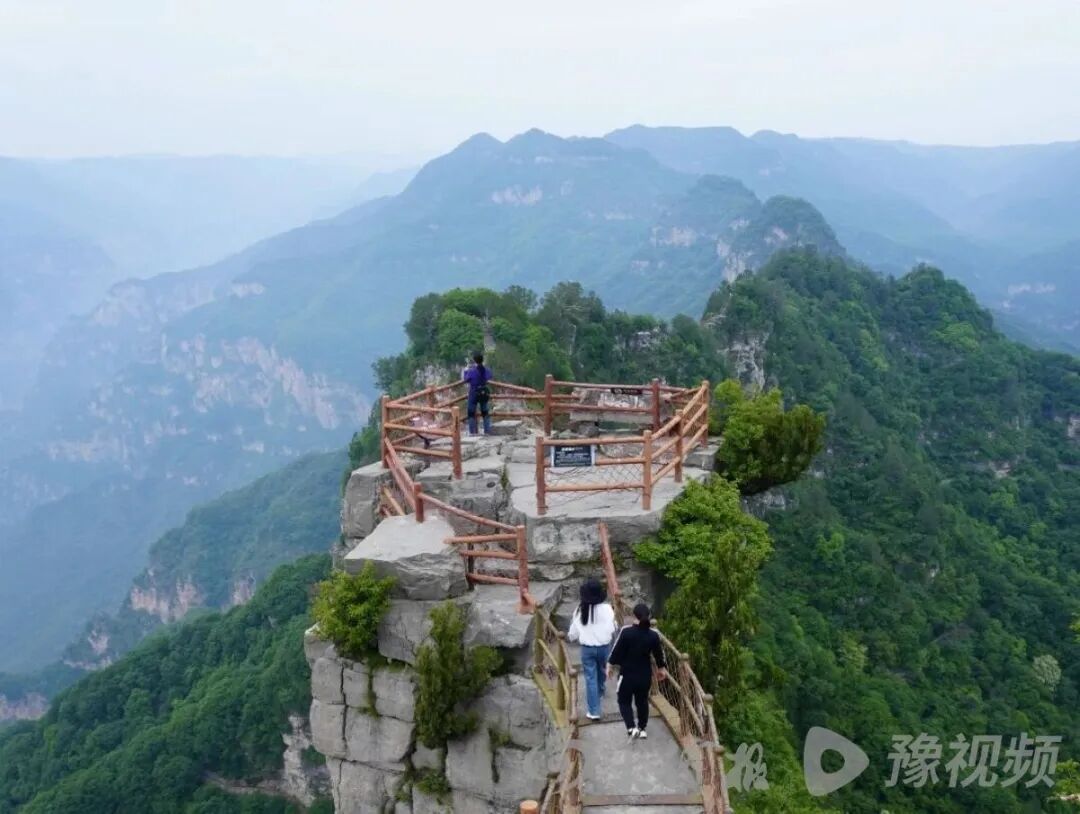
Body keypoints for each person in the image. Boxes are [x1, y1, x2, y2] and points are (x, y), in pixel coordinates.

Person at [607, 602, 667, 740]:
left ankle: (631, 727)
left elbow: (617, 650)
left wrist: (610, 665)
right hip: (644, 675)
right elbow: (659, 654)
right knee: (642, 702)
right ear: (649, 617)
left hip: (627, 674)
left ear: (634, 616)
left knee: (623, 701)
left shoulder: (626, 632)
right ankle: (642, 728)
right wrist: (661, 669)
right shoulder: (653, 635)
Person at [566, 578, 617, 721]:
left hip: (587, 649)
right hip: (604, 647)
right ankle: (600, 690)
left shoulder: (579, 610)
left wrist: (571, 637)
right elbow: (613, 627)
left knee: (590, 678)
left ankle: (594, 711)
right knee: (602, 669)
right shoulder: (607, 608)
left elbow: (573, 634)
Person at [462, 352, 492, 435]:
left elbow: (466, 379)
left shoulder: (472, 371)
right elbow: (489, 376)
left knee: (471, 413)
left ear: (475, 361)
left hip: (474, 392)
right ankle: (487, 431)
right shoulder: (486, 370)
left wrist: (465, 371)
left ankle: (473, 432)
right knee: (485, 412)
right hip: (483, 391)